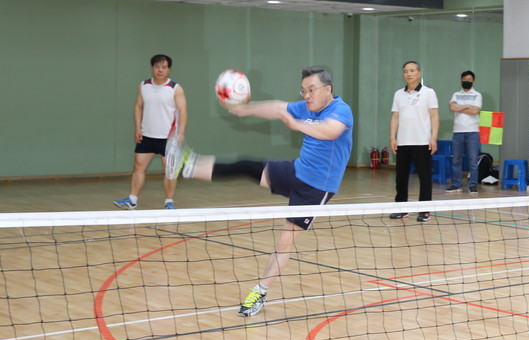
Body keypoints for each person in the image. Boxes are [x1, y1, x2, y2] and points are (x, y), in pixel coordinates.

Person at [180, 66, 353, 317]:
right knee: (247, 167)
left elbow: (330, 131)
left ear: (328, 89)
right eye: (303, 91)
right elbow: (278, 107)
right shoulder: (306, 106)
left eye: (312, 90)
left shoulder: (341, 110)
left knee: (284, 242)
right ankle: (189, 167)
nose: (307, 96)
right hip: (297, 170)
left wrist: (297, 124)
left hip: (316, 188)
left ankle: (259, 292)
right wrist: (245, 110)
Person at [113, 54, 187, 211]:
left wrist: (180, 133)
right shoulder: (143, 85)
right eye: (157, 67)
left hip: (168, 137)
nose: (160, 70)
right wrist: (138, 128)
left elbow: (183, 111)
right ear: (152, 68)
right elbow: (138, 106)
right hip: (147, 135)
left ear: (169, 69)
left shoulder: (175, 88)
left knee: (169, 171)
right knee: (138, 167)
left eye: (164, 67)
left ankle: (169, 201)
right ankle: (132, 199)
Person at [389, 61, 439, 222]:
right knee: (400, 178)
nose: (408, 74)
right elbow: (395, 117)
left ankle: (424, 211)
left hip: (422, 142)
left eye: (412, 71)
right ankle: (401, 209)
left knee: (425, 178)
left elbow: (434, 116)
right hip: (403, 143)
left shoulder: (428, 93)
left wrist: (433, 138)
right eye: (405, 71)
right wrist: (392, 137)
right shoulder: (398, 94)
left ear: (419, 73)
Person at [446, 70, 482, 195]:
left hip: (472, 132)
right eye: (465, 79)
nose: (467, 81)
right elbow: (452, 108)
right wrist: (468, 106)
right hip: (457, 132)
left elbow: (475, 111)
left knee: (473, 160)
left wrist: (460, 107)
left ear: (473, 81)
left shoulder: (477, 95)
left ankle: (472, 185)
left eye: (470, 79)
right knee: (456, 160)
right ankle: (456, 184)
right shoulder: (455, 94)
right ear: (461, 80)